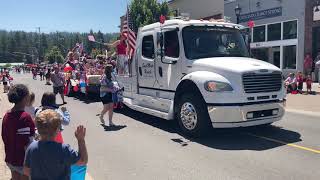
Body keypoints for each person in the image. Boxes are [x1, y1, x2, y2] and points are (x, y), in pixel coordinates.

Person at [23, 110, 88, 179]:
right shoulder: (64, 149)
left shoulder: (32, 148)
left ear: (38, 129)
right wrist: (81, 140)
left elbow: (26, 170)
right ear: (57, 130)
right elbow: (83, 161)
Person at [1, 84, 35, 180]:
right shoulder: (25, 117)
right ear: (25, 98)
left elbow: (5, 136)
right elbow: (26, 142)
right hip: (22, 160)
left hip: (10, 157)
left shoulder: (7, 115)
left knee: (15, 177)